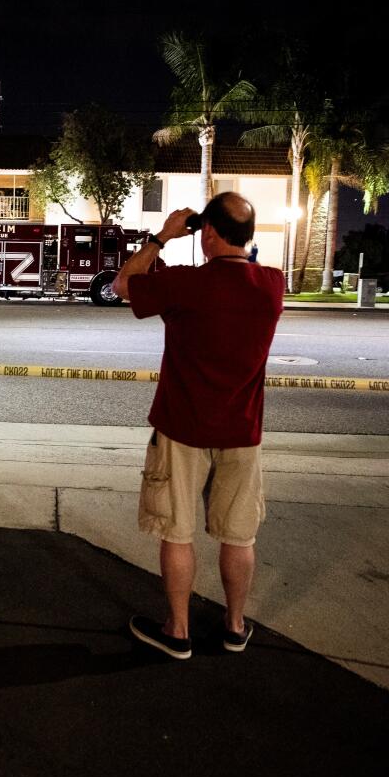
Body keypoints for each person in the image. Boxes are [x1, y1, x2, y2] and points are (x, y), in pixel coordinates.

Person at [115, 192, 284, 660]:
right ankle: (233, 626)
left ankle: (178, 630)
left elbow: (123, 285)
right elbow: (241, 267)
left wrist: (161, 237)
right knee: (238, 535)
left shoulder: (187, 285)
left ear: (207, 233)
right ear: (248, 237)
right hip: (242, 433)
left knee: (178, 532)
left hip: (182, 428)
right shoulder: (272, 284)